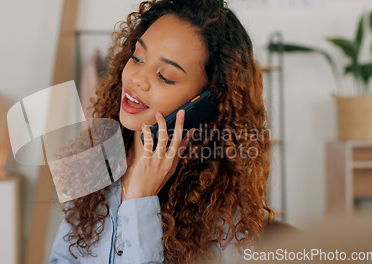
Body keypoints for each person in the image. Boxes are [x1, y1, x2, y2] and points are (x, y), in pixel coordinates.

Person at [50, 0, 273, 263]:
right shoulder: (96, 161)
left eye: (165, 76)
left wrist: (140, 202)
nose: (136, 79)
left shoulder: (220, 211)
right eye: (137, 58)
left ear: (205, 103)